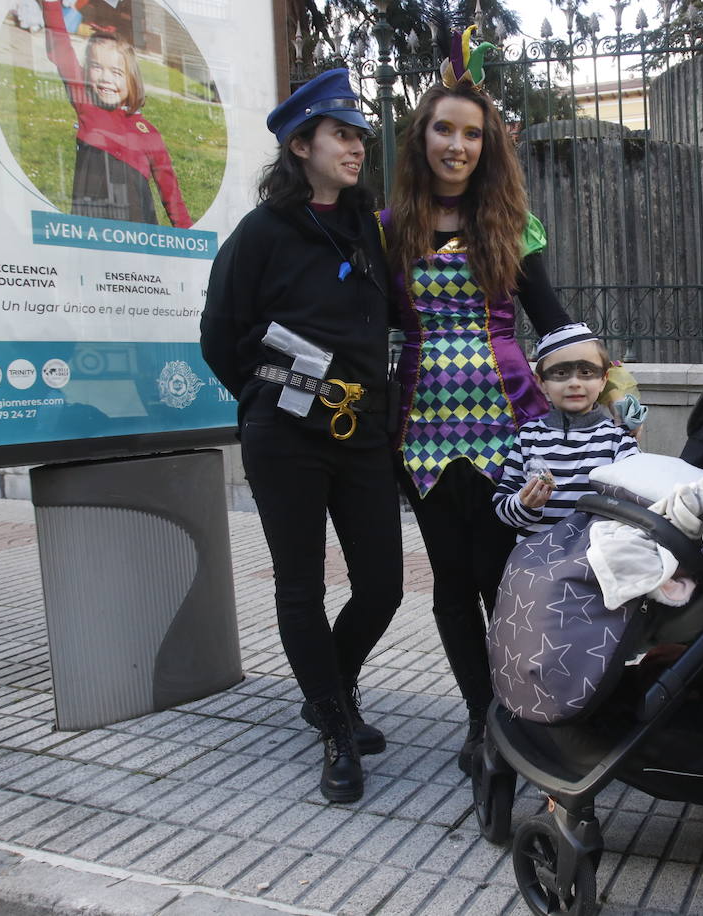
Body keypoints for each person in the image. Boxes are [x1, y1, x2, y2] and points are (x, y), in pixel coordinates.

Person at [199, 69, 400, 804]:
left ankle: (330, 692)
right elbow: (220, 336)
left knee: (382, 585)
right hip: (286, 436)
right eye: (342, 134)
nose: (356, 148)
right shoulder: (260, 235)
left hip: (364, 431)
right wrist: (266, 401)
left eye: (359, 136)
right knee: (300, 586)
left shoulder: (369, 232)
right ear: (299, 144)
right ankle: (338, 733)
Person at [381, 27, 573, 776]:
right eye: (443, 130)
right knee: (452, 587)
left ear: (487, 145)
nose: (456, 146)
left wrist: (603, 385)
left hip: (510, 432)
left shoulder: (510, 227)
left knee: (505, 584)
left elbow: (554, 321)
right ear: (422, 136)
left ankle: (518, 715)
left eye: (471, 134)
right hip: (420, 433)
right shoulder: (387, 231)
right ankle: (477, 719)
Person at [41, 0, 192, 227]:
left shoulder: (148, 133)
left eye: (116, 72)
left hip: (137, 234)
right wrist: (52, 4)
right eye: (96, 67)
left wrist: (188, 235)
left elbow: (170, 191)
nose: (105, 79)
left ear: (131, 81)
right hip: (92, 230)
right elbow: (60, 48)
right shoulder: (87, 106)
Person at [492, 323, 640, 540]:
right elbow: (502, 505)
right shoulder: (528, 437)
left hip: (595, 559)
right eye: (561, 373)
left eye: (586, 372)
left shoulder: (618, 440)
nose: (574, 383)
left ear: (603, 380)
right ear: (541, 383)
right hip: (535, 560)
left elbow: (636, 502)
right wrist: (524, 504)